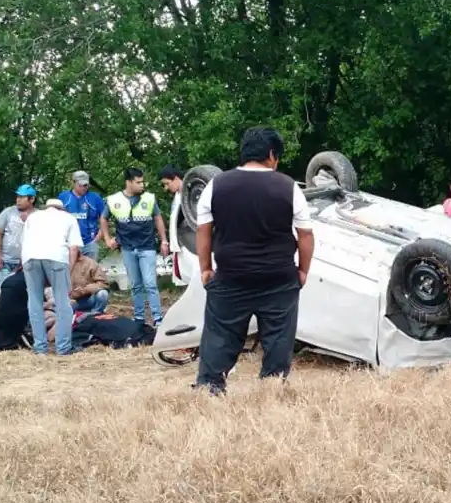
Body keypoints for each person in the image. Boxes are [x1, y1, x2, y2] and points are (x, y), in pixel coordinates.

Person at [194, 126, 314, 395]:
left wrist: (206, 268)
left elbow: (203, 231)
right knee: (278, 338)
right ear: (271, 154)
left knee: (220, 335)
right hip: (278, 277)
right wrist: (303, 271)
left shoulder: (216, 185)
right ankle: (272, 389)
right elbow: (305, 234)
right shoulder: (289, 187)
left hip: (231, 276)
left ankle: (210, 389)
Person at [100, 167, 170, 326]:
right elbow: (103, 218)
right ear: (128, 182)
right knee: (135, 285)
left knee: (150, 284)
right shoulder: (114, 200)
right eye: (138, 182)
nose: (142, 185)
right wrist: (107, 238)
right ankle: (139, 318)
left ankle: (157, 318)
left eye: (142, 182)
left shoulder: (149, 198)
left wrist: (164, 240)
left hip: (147, 247)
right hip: (127, 248)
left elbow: (158, 218)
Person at [21, 198, 83, 355]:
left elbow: (24, 241)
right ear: (62, 208)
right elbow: (74, 248)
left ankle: (40, 347)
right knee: (63, 303)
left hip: (30, 257)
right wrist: (68, 271)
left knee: (34, 301)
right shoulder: (68, 218)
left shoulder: (33, 217)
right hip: (56, 257)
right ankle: (63, 347)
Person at [0, 184, 37, 285]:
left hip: (28, 263)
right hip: (6, 261)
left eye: (22, 197)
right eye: (17, 196)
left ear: (32, 199)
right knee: (2, 288)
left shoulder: (38, 215)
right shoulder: (8, 212)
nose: (18, 200)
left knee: (24, 290)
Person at [58, 170, 105, 261]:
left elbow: (104, 219)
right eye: (80, 185)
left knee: (90, 269)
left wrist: (97, 238)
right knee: (69, 269)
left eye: (86, 185)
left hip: (90, 242)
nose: (83, 188)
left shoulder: (95, 198)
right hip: (68, 243)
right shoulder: (63, 197)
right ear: (73, 183)